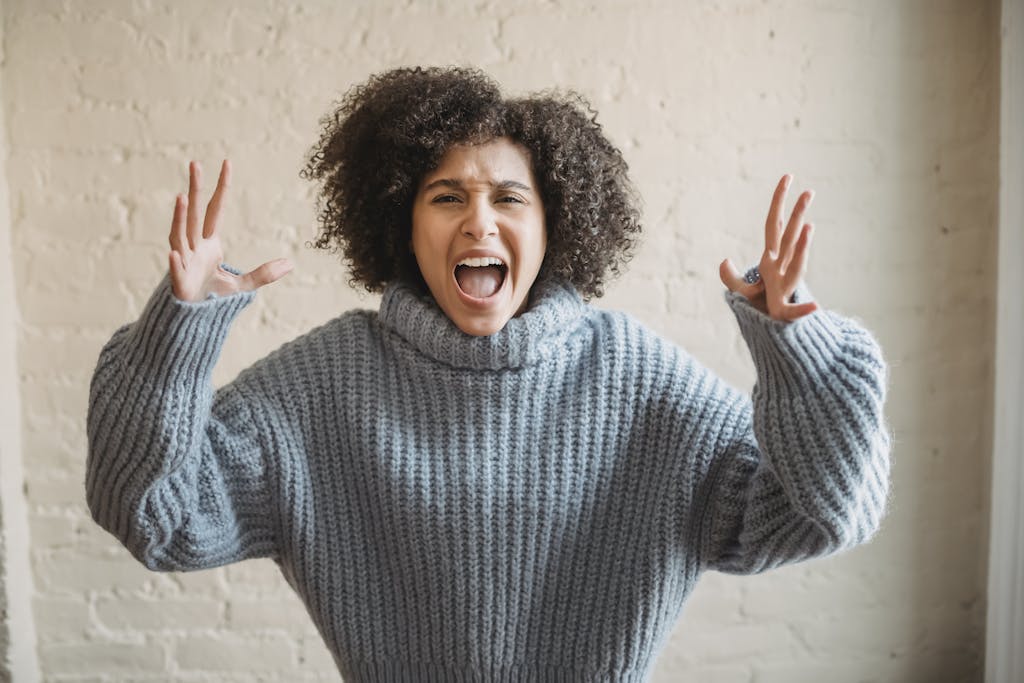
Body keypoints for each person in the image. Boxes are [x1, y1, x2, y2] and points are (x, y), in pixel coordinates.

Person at [86, 66, 891, 681]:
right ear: (403, 222)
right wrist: (174, 338)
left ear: (554, 227)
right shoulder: (323, 385)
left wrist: (802, 347)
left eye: (511, 196)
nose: (479, 219)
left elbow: (825, 513)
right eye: (446, 196)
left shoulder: (637, 380)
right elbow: (156, 517)